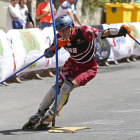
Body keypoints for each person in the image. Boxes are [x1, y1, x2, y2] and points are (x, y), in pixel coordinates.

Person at [22, 15, 129, 130]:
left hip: (88, 68)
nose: (62, 33)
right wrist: (55, 47)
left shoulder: (84, 31)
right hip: (72, 64)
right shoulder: (59, 37)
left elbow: (103, 33)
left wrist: (121, 31)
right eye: (59, 30)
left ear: (71, 27)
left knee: (66, 87)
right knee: (55, 90)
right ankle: (39, 114)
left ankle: (51, 115)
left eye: (64, 30)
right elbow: (48, 54)